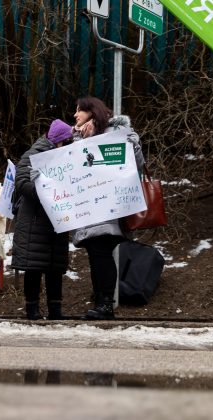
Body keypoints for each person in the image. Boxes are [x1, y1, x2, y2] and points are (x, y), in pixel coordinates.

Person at [69, 96, 145, 320]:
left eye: (80, 110)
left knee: (101, 252)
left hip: (109, 207)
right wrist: (77, 136)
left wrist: (129, 139)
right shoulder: (81, 136)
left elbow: (137, 161)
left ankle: (106, 304)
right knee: (95, 254)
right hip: (90, 207)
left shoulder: (116, 131)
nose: (75, 115)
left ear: (92, 112)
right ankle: (101, 301)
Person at [12, 119, 75, 320]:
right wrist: (44, 190)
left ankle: (55, 310)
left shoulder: (64, 156)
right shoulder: (32, 156)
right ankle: (32, 310)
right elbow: (21, 184)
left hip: (56, 219)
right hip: (35, 221)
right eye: (65, 142)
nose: (67, 146)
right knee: (34, 267)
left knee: (54, 268)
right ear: (57, 140)